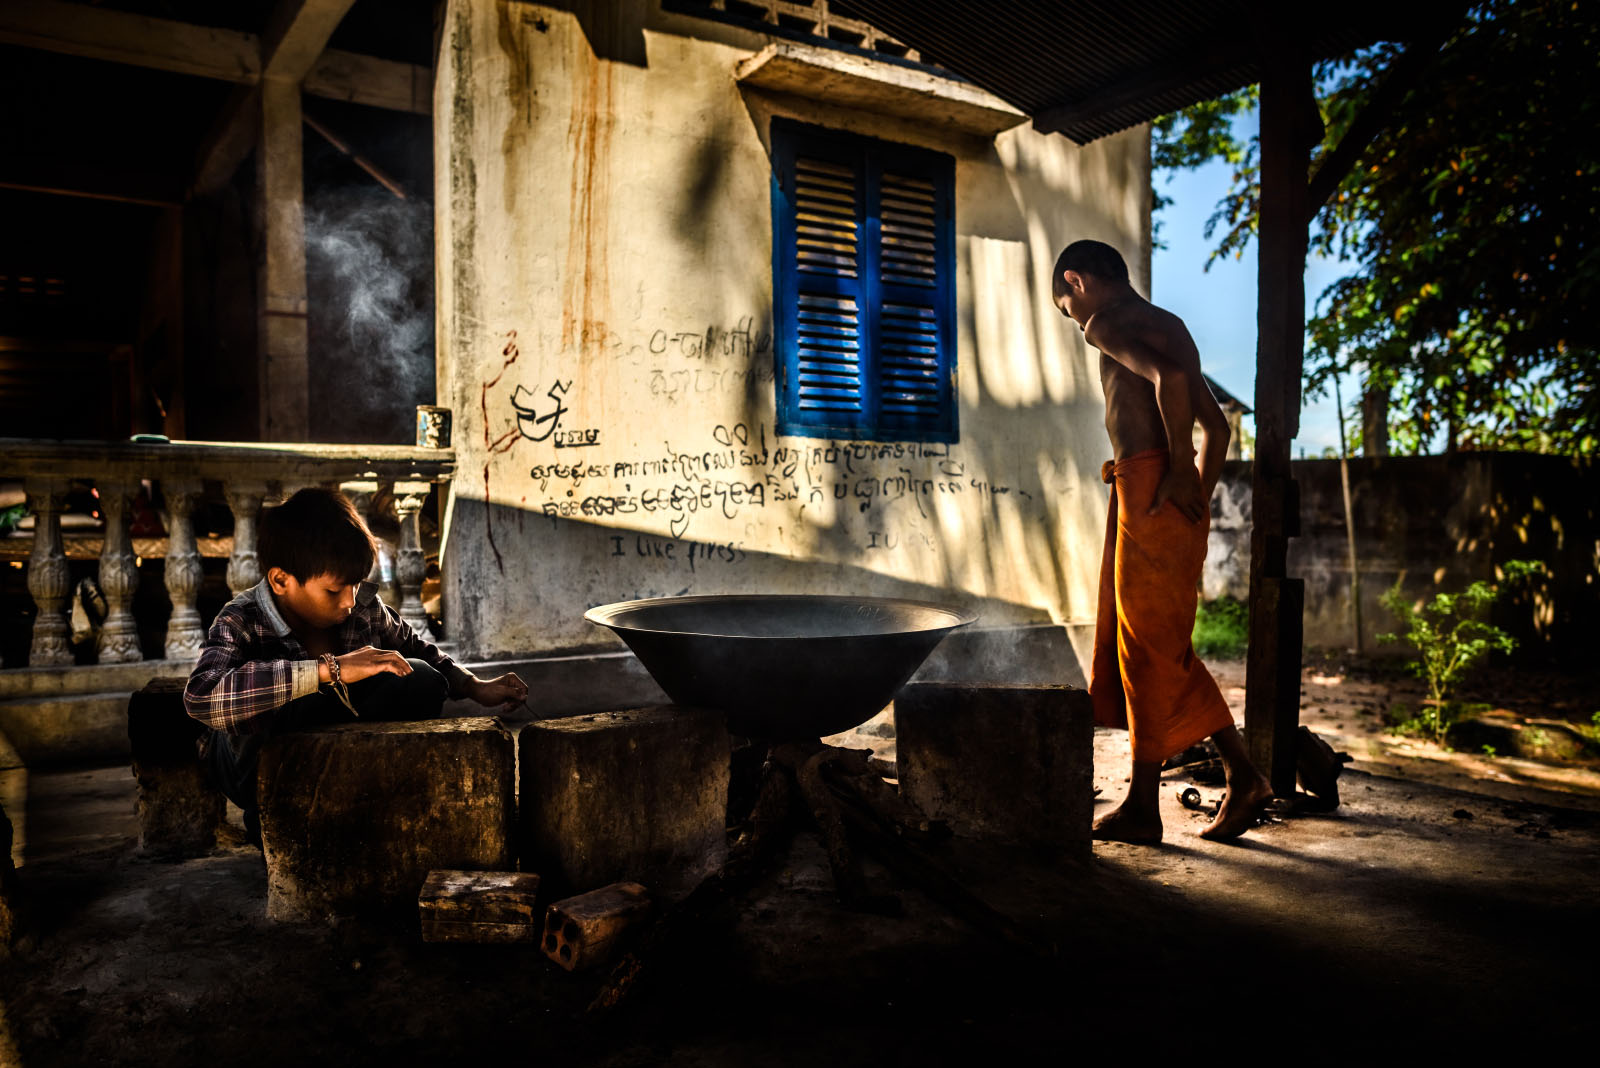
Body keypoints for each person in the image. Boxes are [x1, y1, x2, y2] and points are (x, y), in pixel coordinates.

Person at [1051, 239, 1272, 842]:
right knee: (1154, 645)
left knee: (1147, 647)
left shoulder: (1103, 321)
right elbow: (1219, 429)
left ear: (1076, 282)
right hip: (1165, 497)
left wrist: (1172, 468)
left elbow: (1168, 378)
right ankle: (1184, 791)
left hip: (1152, 488)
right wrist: (1191, 495)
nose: (1076, 322)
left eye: (1066, 309)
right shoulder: (1168, 322)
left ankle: (1196, 792)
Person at [184, 487, 528, 842]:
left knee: (422, 678)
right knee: (272, 705)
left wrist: (474, 686)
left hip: (330, 751)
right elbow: (201, 696)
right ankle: (275, 817)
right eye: (333, 591)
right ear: (281, 580)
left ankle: (361, 791)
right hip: (252, 767)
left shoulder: (361, 606)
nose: (349, 602)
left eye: (354, 586)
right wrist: (328, 670)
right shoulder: (240, 619)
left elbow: (417, 648)